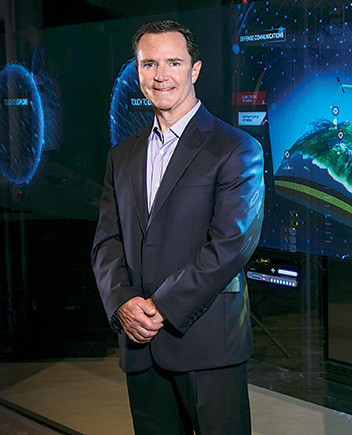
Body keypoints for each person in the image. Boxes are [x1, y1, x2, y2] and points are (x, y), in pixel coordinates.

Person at [91, 20, 264, 434]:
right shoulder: (122, 156)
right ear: (137, 72)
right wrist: (122, 302)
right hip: (139, 343)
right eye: (149, 64)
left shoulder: (236, 148)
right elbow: (106, 242)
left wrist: (160, 308)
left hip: (207, 342)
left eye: (173, 62)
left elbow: (231, 244)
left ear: (195, 69)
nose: (161, 75)